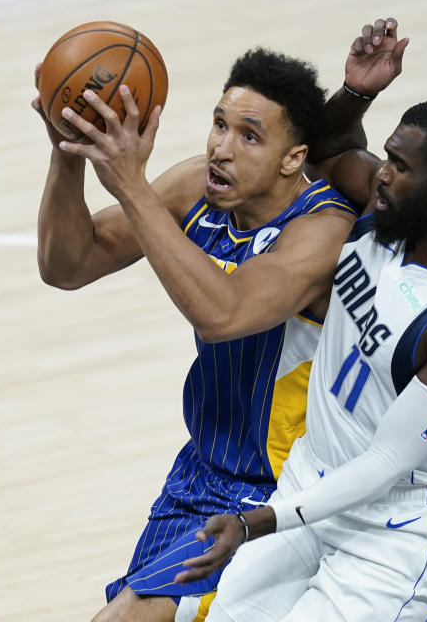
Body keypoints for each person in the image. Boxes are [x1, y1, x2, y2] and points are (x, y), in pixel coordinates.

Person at [175, 19, 427, 621]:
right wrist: (358, 92)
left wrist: (257, 522)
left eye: (401, 166)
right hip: (308, 477)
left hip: (390, 529)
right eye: (386, 158)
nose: (381, 171)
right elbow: (326, 149)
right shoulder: (383, 208)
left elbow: (382, 465)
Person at [33, 48, 358, 622]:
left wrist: (131, 186)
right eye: (219, 124)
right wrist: (70, 151)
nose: (222, 148)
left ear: (293, 159)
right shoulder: (194, 189)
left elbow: (224, 314)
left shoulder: (322, 231)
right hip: (203, 471)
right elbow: (68, 265)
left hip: (284, 486)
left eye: (250, 137)